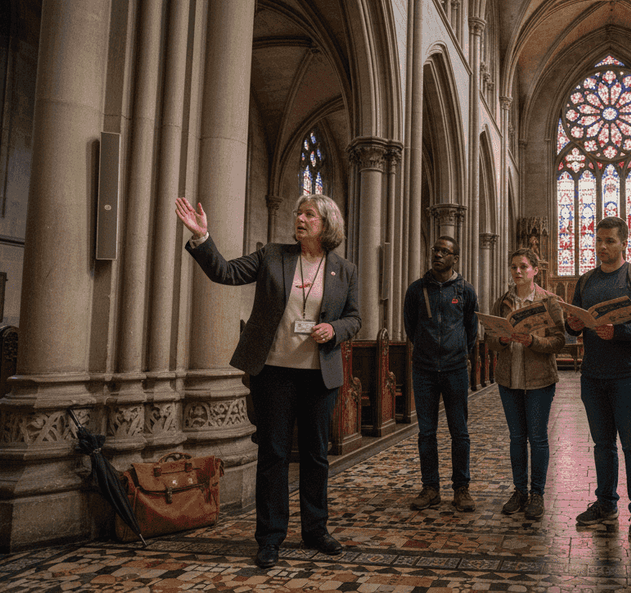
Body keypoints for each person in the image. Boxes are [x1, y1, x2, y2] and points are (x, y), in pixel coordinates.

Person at [175, 194, 361, 570]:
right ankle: (270, 537)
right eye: (298, 212)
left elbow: (355, 318)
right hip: (274, 372)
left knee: (315, 456)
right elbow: (224, 272)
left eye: (308, 214)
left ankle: (315, 530)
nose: (300, 218)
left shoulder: (345, 269)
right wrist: (202, 237)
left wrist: (334, 328)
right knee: (274, 454)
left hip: (318, 377)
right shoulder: (273, 255)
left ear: (326, 224)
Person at [565, 216, 631, 539]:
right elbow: (574, 322)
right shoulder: (586, 281)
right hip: (593, 375)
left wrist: (619, 331)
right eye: (599, 240)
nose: (602, 246)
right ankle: (606, 502)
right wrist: (573, 326)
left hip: (629, 375)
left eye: (609, 241)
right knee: (602, 444)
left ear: (624, 243)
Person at [403, 235, 479, 512]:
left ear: (455, 258)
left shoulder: (465, 291)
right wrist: (425, 348)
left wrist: (458, 351)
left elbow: (472, 329)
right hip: (423, 369)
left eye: (444, 251)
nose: (438, 255)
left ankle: (461, 488)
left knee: (460, 432)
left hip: (455, 369)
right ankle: (430, 487)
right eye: (435, 250)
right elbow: (410, 326)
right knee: (427, 432)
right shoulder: (416, 289)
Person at [488, 247, 565, 519]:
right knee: (517, 438)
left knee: (538, 437)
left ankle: (537, 494)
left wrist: (534, 341)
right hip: (509, 378)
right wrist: (502, 340)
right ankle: (519, 491)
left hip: (539, 379)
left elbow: (559, 341)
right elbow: (491, 340)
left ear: (535, 270)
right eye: (513, 267)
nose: (517, 272)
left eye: (522, 266)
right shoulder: (503, 302)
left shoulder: (549, 301)